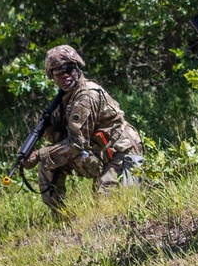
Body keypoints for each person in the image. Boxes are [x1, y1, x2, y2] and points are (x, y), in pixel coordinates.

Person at [23, 45, 143, 214]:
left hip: (121, 152)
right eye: (58, 73)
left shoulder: (86, 96)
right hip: (97, 151)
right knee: (48, 163)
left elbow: (76, 144)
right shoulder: (65, 98)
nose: (65, 76)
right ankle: (62, 217)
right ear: (52, 77)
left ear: (77, 68)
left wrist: (38, 155)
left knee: (111, 210)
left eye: (69, 69)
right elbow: (64, 138)